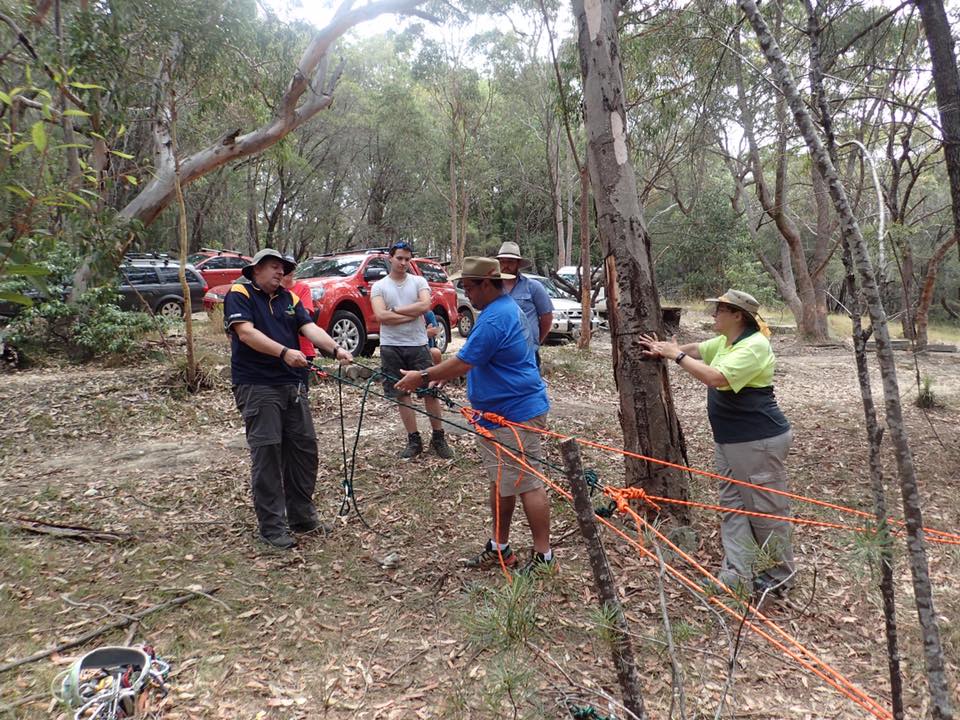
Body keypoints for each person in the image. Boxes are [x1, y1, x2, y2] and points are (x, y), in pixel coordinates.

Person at [395, 257, 554, 574]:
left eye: (468, 286)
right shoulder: (500, 310)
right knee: (502, 482)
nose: (466, 293)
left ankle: (544, 557)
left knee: (527, 484)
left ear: (486, 283)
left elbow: (464, 362)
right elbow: (474, 358)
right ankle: (499, 548)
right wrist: (443, 374)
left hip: (515, 415)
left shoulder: (497, 317)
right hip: (497, 415)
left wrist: (423, 376)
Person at [638, 289, 794, 596]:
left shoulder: (755, 346)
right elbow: (699, 348)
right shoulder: (727, 341)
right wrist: (666, 348)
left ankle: (780, 577)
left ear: (738, 316)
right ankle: (738, 574)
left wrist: (676, 356)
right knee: (732, 506)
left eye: (720, 310)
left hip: (758, 440)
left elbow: (716, 378)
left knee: (765, 509)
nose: (713, 314)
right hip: (730, 441)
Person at [224, 248, 353, 550]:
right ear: (256, 269)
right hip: (257, 385)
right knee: (268, 453)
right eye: (273, 267)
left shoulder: (290, 299)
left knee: (303, 449)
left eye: (283, 268)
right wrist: (283, 352)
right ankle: (271, 527)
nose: (280, 272)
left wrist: (336, 350)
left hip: (293, 385)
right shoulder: (240, 293)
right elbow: (245, 334)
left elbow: (308, 328)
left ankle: (301, 515)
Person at [370, 241, 454, 460]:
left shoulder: (419, 281)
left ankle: (438, 437)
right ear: (390, 258)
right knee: (401, 393)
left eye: (407, 259)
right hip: (391, 346)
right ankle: (413, 440)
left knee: (429, 392)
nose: (403, 263)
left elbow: (425, 306)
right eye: (399, 258)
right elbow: (381, 316)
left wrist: (395, 310)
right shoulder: (379, 286)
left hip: (418, 344)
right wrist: (411, 313)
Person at [495, 242, 553, 365]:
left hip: (528, 354)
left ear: (518, 264)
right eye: (502, 261)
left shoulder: (533, 287)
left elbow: (546, 318)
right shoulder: (492, 289)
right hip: (499, 353)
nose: (506, 265)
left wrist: (535, 341)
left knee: (528, 383)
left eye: (510, 262)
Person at [280, 255, 316, 379]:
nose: (289, 271)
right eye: (286, 268)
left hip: (303, 349)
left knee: (301, 392)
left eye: (292, 268)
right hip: (281, 350)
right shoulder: (273, 291)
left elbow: (304, 315)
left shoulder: (303, 288)